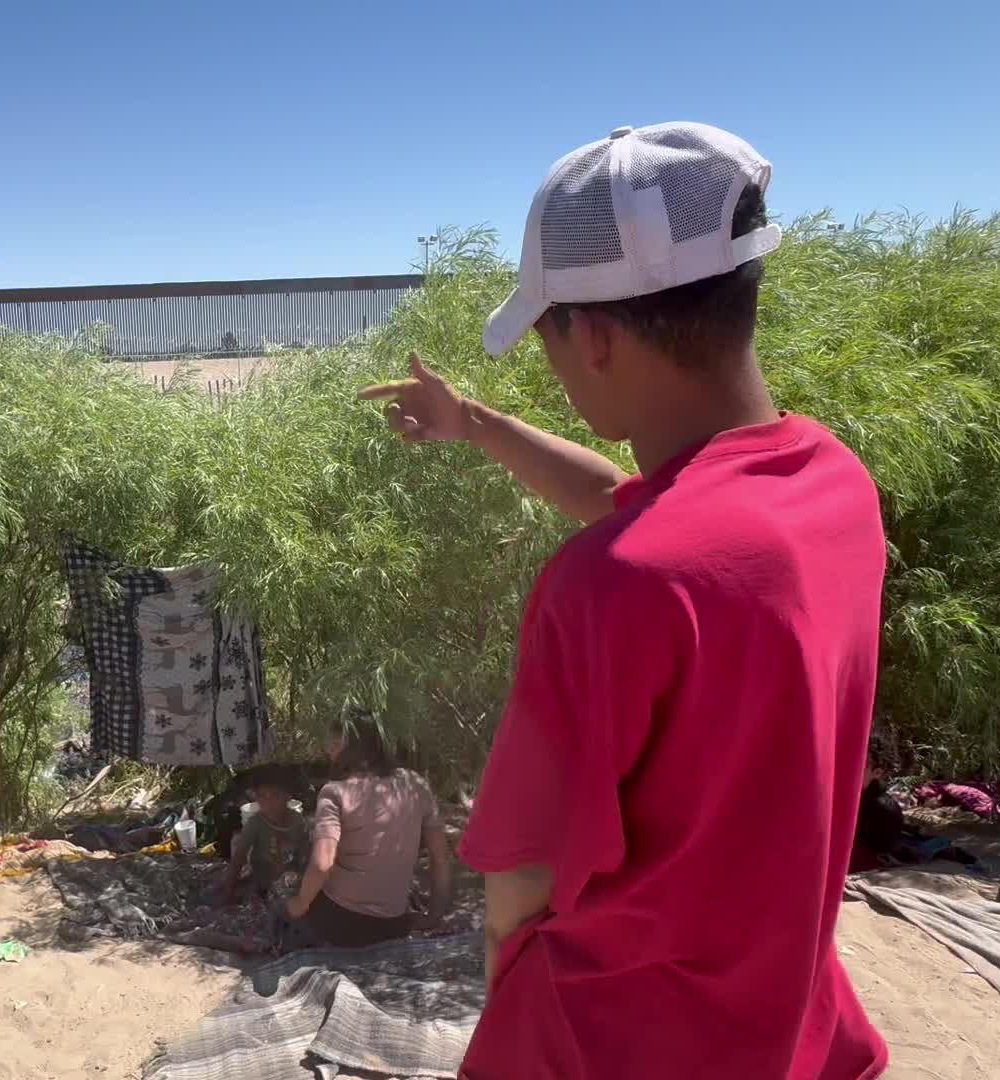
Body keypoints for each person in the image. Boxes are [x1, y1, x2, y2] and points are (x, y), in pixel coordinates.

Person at [362, 122, 888, 1078]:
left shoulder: (608, 587)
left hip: (614, 1038)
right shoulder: (832, 488)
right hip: (782, 1025)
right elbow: (643, 507)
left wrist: (517, 1020)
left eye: (547, 332)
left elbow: (520, 885)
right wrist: (476, 424)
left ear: (593, 334)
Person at [284, 709, 453, 948]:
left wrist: (299, 903)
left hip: (342, 924)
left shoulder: (334, 792)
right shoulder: (415, 783)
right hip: (394, 924)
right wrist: (434, 915)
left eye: (331, 742)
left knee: (285, 884)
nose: (327, 749)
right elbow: (441, 857)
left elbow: (322, 864)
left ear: (342, 744)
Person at [215, 767, 310, 901]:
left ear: (288, 795)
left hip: (289, 881)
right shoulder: (255, 823)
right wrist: (229, 889)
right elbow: (239, 857)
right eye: (262, 796)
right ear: (256, 799)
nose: (268, 802)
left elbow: (305, 854)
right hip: (262, 884)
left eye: (275, 795)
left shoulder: (298, 821)